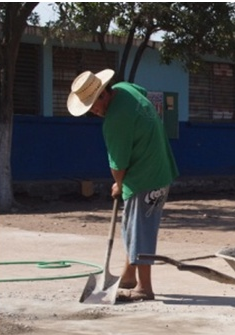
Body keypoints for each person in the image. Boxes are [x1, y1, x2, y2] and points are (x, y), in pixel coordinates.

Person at [67, 69, 179, 302]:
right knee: (131, 226)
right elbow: (143, 92)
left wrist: (118, 184)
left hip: (145, 178)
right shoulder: (125, 89)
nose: (94, 112)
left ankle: (145, 287)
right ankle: (128, 276)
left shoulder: (115, 120)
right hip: (159, 169)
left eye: (93, 106)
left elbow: (118, 164)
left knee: (141, 230)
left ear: (103, 94)